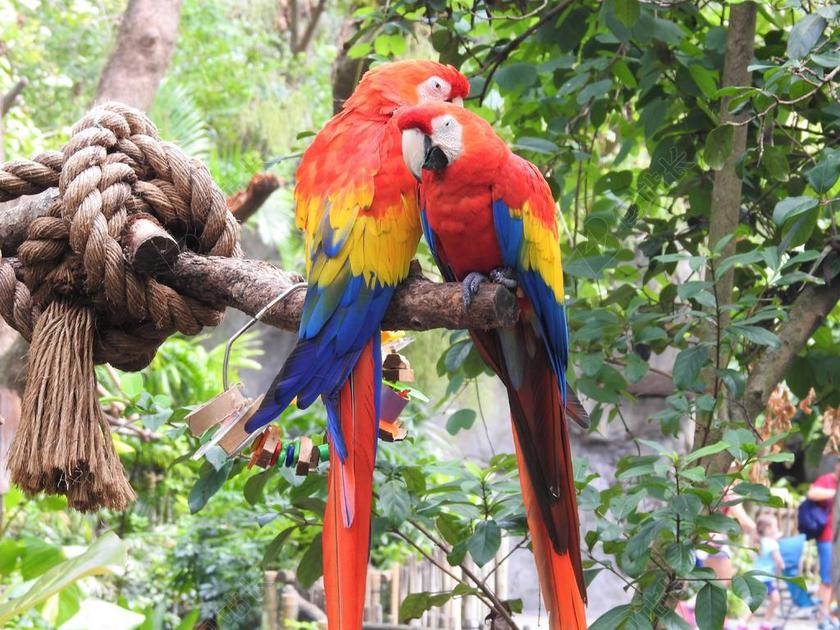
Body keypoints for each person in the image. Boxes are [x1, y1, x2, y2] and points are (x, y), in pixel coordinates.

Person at [807, 458, 840, 630]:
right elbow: (812, 493)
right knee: (827, 578)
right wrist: (835, 493)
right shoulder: (827, 480)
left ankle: (832, 615)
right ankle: (822, 617)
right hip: (827, 537)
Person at [753, 514, 784, 630]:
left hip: (756, 577)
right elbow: (778, 560)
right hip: (766, 578)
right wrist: (782, 566)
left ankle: (743, 623)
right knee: (775, 600)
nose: (777, 528)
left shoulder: (760, 542)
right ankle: (765, 623)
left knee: (755, 602)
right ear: (768, 529)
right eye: (775, 526)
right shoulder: (772, 543)